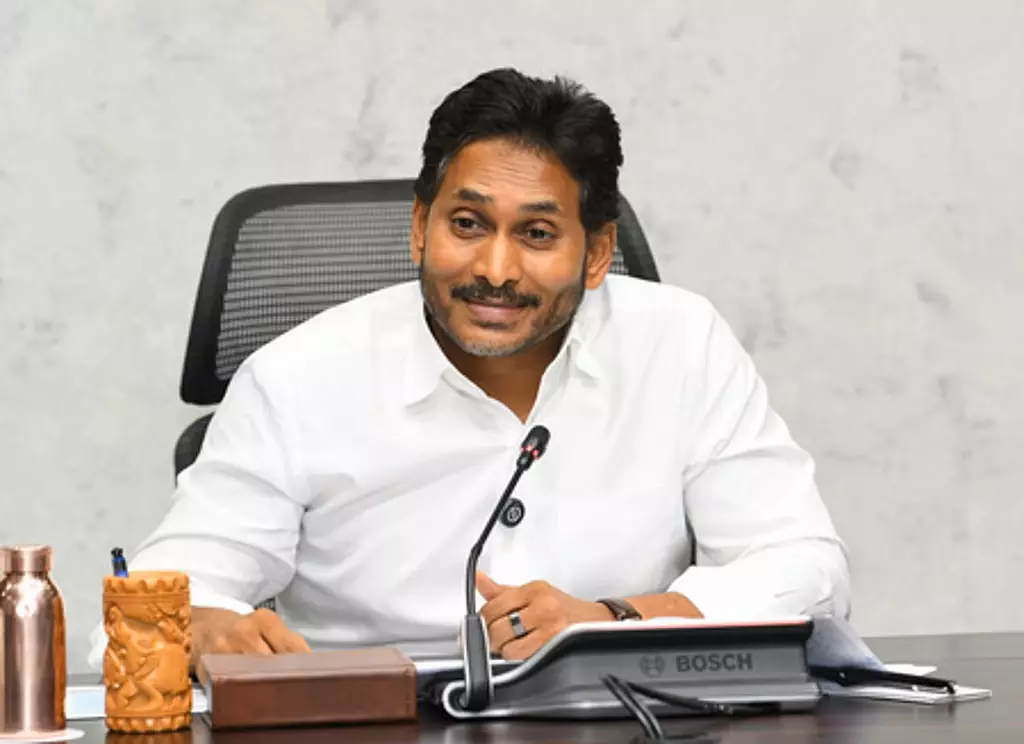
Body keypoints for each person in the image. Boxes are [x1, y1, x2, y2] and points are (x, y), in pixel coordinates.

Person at [88, 67, 849, 670]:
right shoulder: (296, 378)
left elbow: (805, 567)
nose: (495, 269)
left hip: (621, 719)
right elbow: (151, 606)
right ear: (421, 227)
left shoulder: (680, 343)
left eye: (538, 234)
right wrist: (203, 630)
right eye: (467, 224)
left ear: (597, 254)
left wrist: (614, 620)